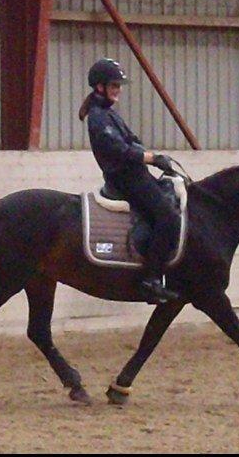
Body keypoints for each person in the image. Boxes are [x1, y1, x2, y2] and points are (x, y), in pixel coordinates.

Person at [79, 58, 181, 303]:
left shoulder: (109, 114)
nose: (118, 89)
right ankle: (151, 279)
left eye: (119, 85)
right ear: (100, 87)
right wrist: (152, 158)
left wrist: (153, 157)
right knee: (168, 217)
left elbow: (131, 141)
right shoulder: (98, 117)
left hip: (135, 174)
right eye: (114, 85)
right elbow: (118, 151)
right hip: (125, 178)